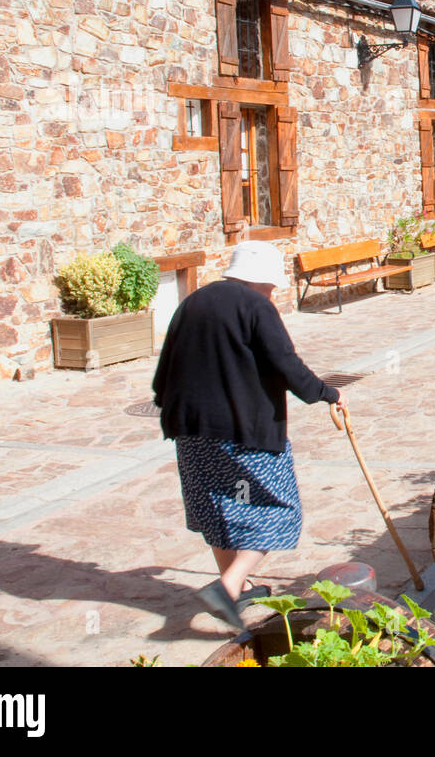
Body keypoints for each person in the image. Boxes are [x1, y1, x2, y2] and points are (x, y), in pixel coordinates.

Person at [152, 240, 346, 630]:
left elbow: (165, 364)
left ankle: (236, 589)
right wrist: (326, 393)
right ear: (262, 280)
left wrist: (166, 403)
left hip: (190, 428)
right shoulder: (256, 306)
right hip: (242, 432)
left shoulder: (194, 301)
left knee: (218, 508)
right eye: (272, 287)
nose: (273, 293)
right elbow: (286, 363)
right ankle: (227, 588)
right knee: (279, 510)